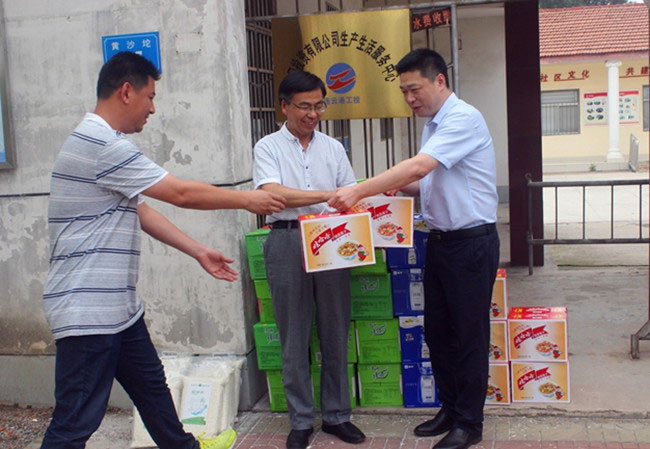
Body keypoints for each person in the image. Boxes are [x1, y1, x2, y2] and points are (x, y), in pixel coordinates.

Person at [40, 51, 286, 449]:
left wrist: (197, 250)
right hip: (88, 312)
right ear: (126, 92)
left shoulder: (104, 144)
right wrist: (246, 199)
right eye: (150, 97)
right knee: (74, 423)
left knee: (154, 393)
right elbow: (181, 193)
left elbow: (141, 211)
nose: (153, 108)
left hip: (119, 310)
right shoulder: (102, 145)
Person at [328, 48, 500, 449]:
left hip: (471, 244)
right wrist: (395, 187)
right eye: (404, 91)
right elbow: (428, 179)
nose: (409, 98)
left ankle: (469, 423)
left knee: (468, 336)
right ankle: (450, 409)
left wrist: (360, 190)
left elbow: (421, 166)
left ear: (439, 80)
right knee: (438, 333)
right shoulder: (433, 126)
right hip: (439, 242)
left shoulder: (463, 118)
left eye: (414, 89)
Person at [252, 71, 366, 449]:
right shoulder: (267, 147)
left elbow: (350, 195)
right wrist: (328, 195)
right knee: (293, 335)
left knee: (335, 329)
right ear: (284, 106)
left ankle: (337, 416)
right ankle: (300, 419)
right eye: (304, 106)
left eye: (319, 105)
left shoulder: (333, 148)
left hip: (332, 240)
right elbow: (274, 195)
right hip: (286, 239)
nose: (313, 113)